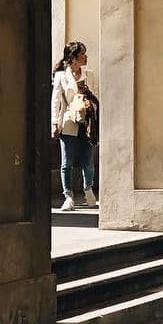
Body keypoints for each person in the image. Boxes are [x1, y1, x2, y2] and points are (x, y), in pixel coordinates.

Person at [51, 40, 99, 212]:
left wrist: (88, 93)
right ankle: (68, 197)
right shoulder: (61, 76)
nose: (86, 57)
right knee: (67, 161)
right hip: (68, 122)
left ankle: (88, 190)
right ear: (73, 58)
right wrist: (54, 123)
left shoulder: (90, 75)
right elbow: (55, 101)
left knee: (88, 161)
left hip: (86, 123)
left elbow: (96, 98)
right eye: (82, 54)